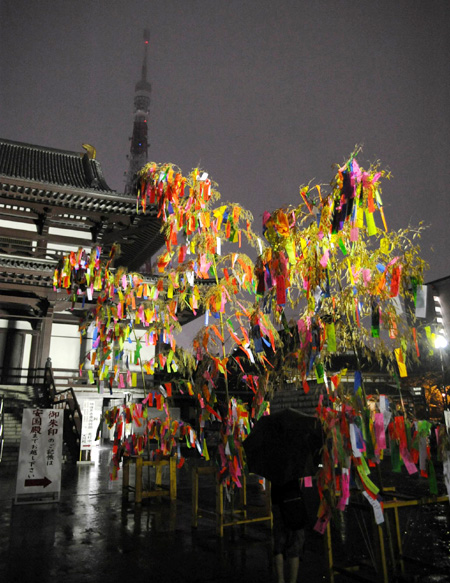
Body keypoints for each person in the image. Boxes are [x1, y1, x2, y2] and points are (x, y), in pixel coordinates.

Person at [271, 478, 306, 583]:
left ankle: (280, 580)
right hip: (293, 501)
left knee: (279, 543)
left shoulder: (272, 465)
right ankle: (292, 581)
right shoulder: (295, 465)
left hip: (277, 501)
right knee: (295, 545)